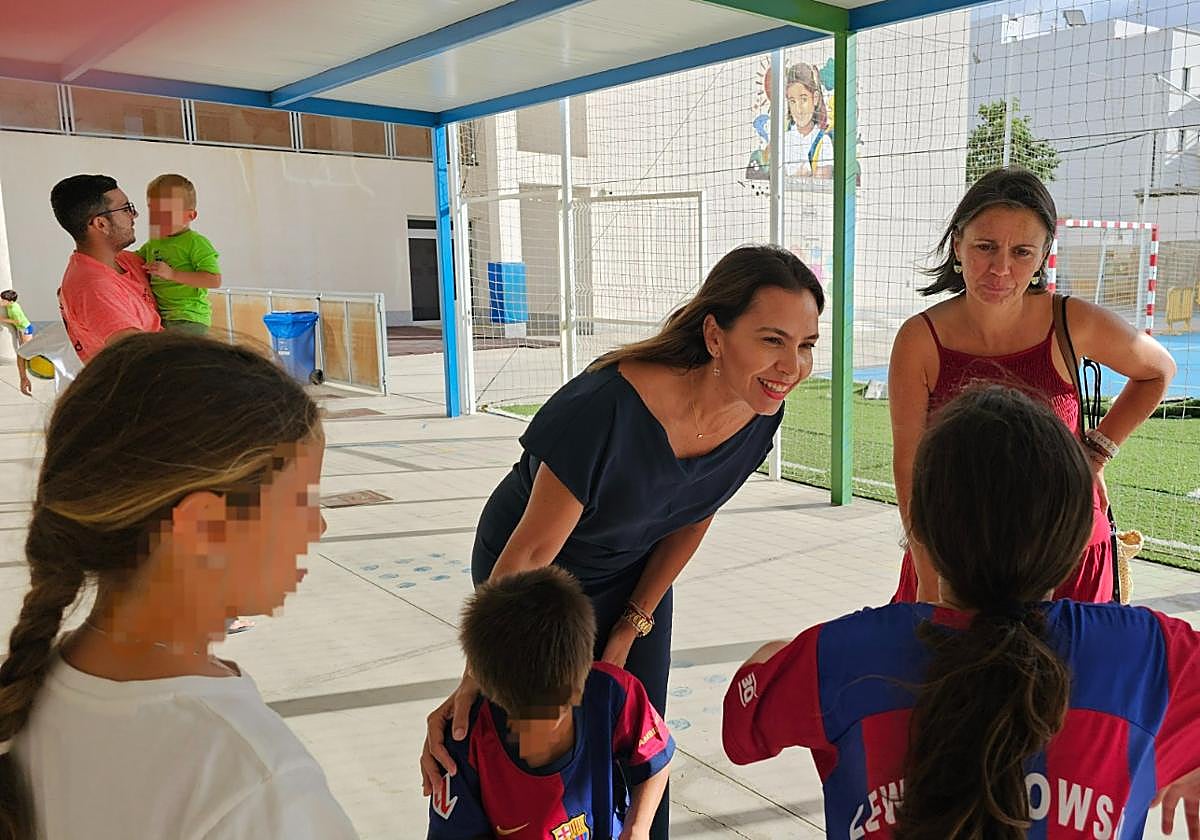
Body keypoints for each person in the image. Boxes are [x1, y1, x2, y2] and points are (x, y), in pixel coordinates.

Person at [421, 244, 825, 839]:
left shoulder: (760, 411)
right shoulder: (607, 408)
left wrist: (633, 620)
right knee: (536, 739)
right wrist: (476, 679)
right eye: (772, 340)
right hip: (538, 577)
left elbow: (695, 512)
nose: (791, 365)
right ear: (715, 336)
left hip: (635, 571)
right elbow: (531, 554)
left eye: (806, 345)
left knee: (635, 735)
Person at [722, 385, 1200, 840]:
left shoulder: (839, 658)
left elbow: (740, 732)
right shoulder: (1152, 657)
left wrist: (780, 654)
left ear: (921, 532)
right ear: (1077, 538)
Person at [0, 332, 356, 839]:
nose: (318, 526)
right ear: (205, 525)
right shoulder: (253, 782)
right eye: (303, 499)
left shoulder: (36, 696)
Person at [888, 166, 1175, 603]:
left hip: (1068, 546)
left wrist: (1096, 453)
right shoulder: (920, 340)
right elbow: (910, 469)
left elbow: (1158, 371)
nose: (1000, 268)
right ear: (958, 246)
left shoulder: (1071, 322)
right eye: (985, 246)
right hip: (962, 560)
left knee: (1073, 670)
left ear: (1043, 257)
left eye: (1022, 251)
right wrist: (929, 580)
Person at [427, 567, 674, 840]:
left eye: (550, 717)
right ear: (492, 692)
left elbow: (657, 759)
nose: (536, 742)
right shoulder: (464, 744)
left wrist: (637, 828)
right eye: (522, 723)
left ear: (579, 683)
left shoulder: (612, 692)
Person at [50, 174, 162, 362]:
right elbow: (141, 356)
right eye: (126, 209)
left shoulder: (126, 260)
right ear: (100, 223)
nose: (134, 215)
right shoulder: (93, 287)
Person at [136, 173, 223, 336]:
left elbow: (214, 280)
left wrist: (172, 274)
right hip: (160, 317)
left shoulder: (196, 242)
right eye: (154, 211)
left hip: (188, 317)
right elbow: (135, 260)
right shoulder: (154, 242)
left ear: (190, 215)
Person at [782, 63, 832, 180]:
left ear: (815, 98)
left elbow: (822, 184)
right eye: (792, 101)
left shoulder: (823, 142)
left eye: (804, 99)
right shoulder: (783, 140)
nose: (798, 110)